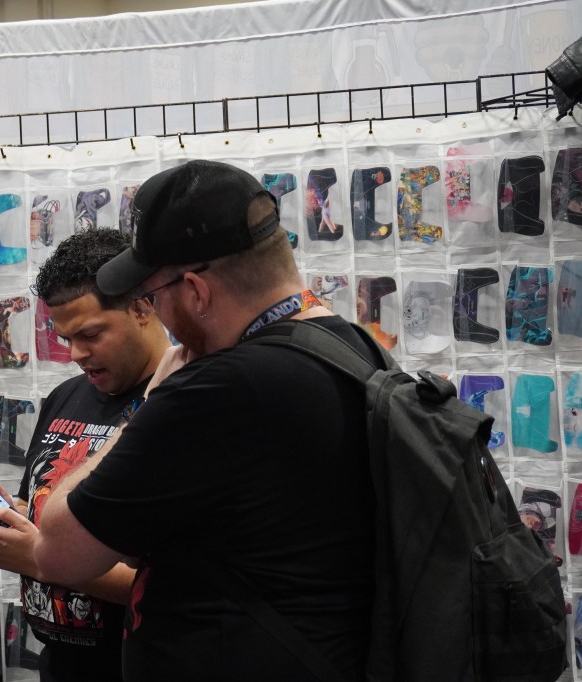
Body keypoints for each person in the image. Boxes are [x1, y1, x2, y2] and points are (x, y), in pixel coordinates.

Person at [30, 160, 380, 680]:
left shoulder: (218, 390)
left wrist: (155, 399)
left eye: (154, 296)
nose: (157, 311)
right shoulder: (351, 348)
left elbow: (58, 552)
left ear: (196, 290)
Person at [0, 229, 172, 682]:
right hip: (60, 663)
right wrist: (8, 518)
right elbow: (41, 508)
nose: (75, 354)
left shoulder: (176, 406)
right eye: (65, 337)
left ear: (143, 307)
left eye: (91, 334)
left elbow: (171, 581)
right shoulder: (65, 396)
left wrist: (39, 557)